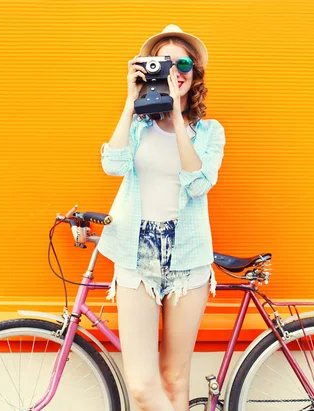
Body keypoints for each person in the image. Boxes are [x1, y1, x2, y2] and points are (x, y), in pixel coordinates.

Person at [95, 24, 226, 411]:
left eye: (182, 62)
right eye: (162, 63)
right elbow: (112, 165)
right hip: (137, 255)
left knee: (174, 378)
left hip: (189, 258)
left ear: (194, 72)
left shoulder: (209, 132)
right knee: (141, 386)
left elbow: (198, 182)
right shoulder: (137, 128)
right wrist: (130, 100)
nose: (173, 71)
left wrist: (175, 116)